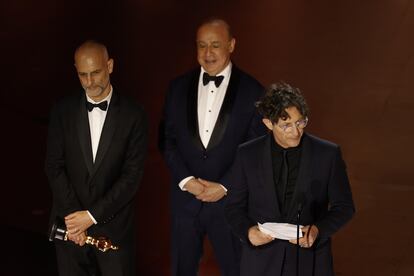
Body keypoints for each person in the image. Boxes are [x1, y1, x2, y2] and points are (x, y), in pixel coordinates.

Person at [160, 18, 265, 276]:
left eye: (215, 45)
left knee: (236, 270)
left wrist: (225, 186)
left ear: (231, 45)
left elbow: (257, 149)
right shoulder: (178, 87)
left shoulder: (253, 91)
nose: (208, 53)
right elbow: (167, 139)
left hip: (229, 204)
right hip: (186, 201)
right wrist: (186, 180)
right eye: (202, 45)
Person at [225, 82, 355, 276]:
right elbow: (233, 207)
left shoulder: (328, 154)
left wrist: (317, 230)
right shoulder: (247, 154)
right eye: (286, 125)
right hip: (260, 263)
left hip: (310, 262)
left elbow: (344, 207)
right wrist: (248, 232)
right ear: (268, 123)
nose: (295, 132)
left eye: (300, 122)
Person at [45, 40, 148, 276]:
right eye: (83, 75)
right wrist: (76, 221)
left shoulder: (135, 115)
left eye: (96, 73)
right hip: (70, 231)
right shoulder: (62, 110)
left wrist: (91, 217)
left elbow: (132, 177)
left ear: (110, 66)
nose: (90, 82)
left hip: (114, 230)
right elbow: (54, 167)